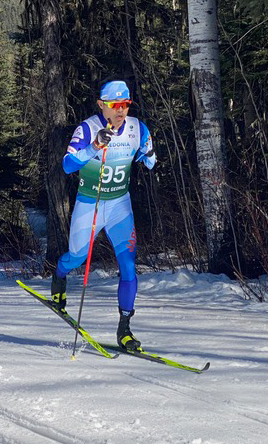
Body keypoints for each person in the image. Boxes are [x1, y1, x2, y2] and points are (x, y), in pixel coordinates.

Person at [50, 80, 156, 351]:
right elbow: (67, 165)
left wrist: (149, 155)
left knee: (129, 267)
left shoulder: (137, 128)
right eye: (115, 105)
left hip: (120, 205)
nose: (121, 110)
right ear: (101, 105)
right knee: (77, 256)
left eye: (125, 104)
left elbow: (149, 159)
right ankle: (59, 276)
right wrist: (94, 147)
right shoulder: (87, 128)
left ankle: (125, 330)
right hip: (90, 205)